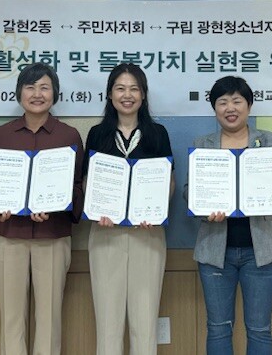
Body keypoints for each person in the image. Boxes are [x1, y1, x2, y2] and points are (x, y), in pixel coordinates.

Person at [188, 76, 272, 355]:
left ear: (249, 105)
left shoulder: (268, 141)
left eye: (237, 101)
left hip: (260, 252)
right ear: (214, 108)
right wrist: (203, 209)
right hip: (215, 252)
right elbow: (190, 192)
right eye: (222, 102)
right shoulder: (203, 144)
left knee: (260, 329)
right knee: (218, 327)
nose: (230, 108)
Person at [0, 62, 84, 355]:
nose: (37, 94)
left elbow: (78, 186)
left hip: (52, 235)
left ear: (55, 93)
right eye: (30, 87)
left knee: (49, 319)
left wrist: (57, 208)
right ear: (19, 93)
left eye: (44, 87)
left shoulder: (69, 136)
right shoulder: (0, 135)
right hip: (8, 234)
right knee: (11, 319)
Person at [83, 63, 175, 355]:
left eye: (134, 89)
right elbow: (87, 181)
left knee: (144, 322)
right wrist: (97, 210)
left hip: (147, 235)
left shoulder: (158, 133)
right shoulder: (97, 134)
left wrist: (155, 210)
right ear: (110, 94)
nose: (127, 95)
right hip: (105, 234)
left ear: (143, 95)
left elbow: (168, 181)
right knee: (107, 324)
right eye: (120, 88)